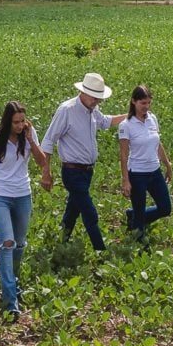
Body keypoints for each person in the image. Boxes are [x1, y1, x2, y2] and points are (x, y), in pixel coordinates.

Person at [40, 73, 126, 251]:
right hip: (72, 172)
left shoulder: (92, 110)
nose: (97, 102)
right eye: (95, 97)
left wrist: (130, 115)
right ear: (83, 92)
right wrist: (45, 172)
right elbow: (48, 141)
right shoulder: (67, 110)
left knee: (73, 210)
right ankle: (101, 250)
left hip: (87, 172)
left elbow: (105, 122)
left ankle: (61, 243)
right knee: (90, 213)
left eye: (99, 99)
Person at [0, 101, 46, 317]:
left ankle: (13, 281)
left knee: (19, 244)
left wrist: (29, 140)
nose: (19, 125)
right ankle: (10, 300)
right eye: (15, 122)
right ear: (7, 121)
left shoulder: (29, 133)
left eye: (22, 121)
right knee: (7, 243)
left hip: (22, 195)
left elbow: (42, 162)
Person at [119, 85, 173, 242]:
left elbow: (157, 144)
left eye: (149, 103)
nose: (146, 107)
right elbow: (123, 154)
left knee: (165, 208)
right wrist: (125, 180)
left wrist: (167, 165)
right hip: (137, 174)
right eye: (143, 103)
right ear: (133, 102)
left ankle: (134, 215)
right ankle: (138, 242)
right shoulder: (126, 125)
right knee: (139, 220)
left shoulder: (152, 119)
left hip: (154, 171)